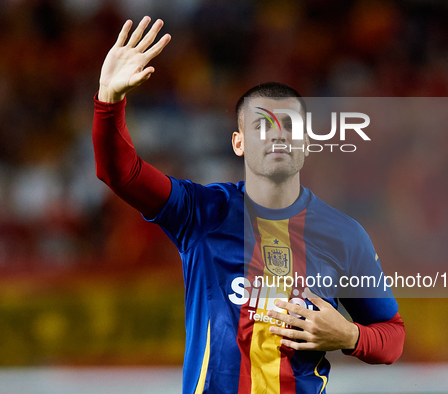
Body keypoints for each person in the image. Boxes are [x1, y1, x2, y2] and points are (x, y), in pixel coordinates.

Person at [93, 16, 405, 394]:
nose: (277, 135)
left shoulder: (344, 235)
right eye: (262, 126)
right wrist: (109, 99)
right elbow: (120, 172)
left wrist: (349, 334)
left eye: (289, 126)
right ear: (238, 143)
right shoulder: (201, 213)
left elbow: (392, 337)